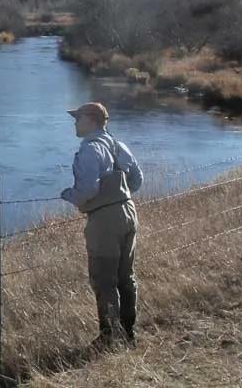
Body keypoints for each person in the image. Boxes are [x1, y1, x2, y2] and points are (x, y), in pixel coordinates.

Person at [60, 102, 143, 349]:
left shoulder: (90, 149)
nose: (75, 122)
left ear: (91, 119)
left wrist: (68, 195)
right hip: (129, 212)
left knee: (104, 280)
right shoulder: (119, 146)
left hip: (104, 220)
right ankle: (128, 335)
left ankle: (109, 339)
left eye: (78, 118)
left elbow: (87, 189)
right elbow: (137, 180)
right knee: (125, 276)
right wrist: (119, 195)